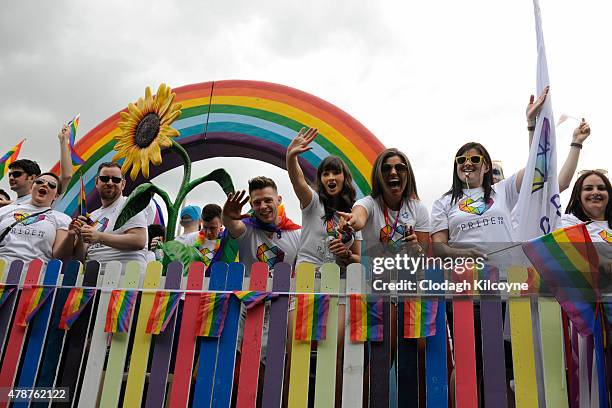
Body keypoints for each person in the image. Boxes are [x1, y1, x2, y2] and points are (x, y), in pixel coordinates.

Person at [286, 127, 361, 268]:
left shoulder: (354, 215)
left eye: (336, 172)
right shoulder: (312, 201)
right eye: (325, 174)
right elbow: (298, 181)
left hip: (337, 281)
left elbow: (357, 257)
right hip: (307, 277)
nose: (331, 177)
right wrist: (291, 157)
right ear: (320, 180)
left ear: (344, 178)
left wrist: (346, 254)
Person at [71, 162, 148, 273]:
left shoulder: (130, 204)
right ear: (97, 182)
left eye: (116, 180)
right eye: (104, 178)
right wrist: (78, 235)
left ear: (123, 184)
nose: (110, 183)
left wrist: (99, 237)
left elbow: (139, 240)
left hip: (125, 280)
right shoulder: (92, 216)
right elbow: (79, 258)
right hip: (93, 282)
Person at [223, 176, 300, 274]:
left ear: (279, 200)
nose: (263, 206)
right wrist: (227, 216)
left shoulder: (297, 233)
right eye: (257, 202)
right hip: (251, 290)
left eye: (268, 200)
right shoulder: (246, 229)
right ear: (251, 205)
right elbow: (230, 223)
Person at [0, 172, 72, 265]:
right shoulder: (5, 210)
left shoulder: (62, 218)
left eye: (52, 185)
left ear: (56, 196)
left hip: (34, 275)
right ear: (31, 188)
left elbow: (58, 255)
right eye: (39, 182)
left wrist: (71, 235)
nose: (45, 185)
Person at [6, 125, 74, 206]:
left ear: (32, 178)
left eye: (16, 174)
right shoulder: (7, 209)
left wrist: (64, 141)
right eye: (10, 174)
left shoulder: (46, 197)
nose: (11, 178)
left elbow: (67, 176)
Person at [562, 170, 611, 262]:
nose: (595, 192)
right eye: (588, 188)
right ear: (578, 195)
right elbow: (575, 253)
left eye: (601, 188)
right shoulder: (569, 222)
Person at [175, 204, 237, 271]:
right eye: (205, 227)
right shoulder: (190, 239)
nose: (208, 232)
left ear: (221, 222)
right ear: (201, 222)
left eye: (213, 228)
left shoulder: (226, 243)